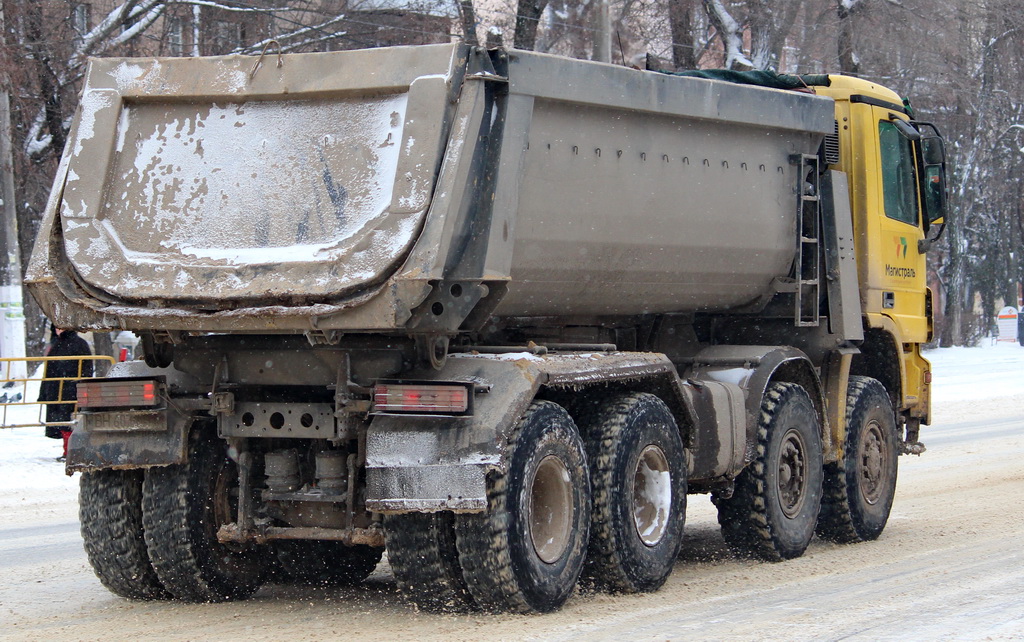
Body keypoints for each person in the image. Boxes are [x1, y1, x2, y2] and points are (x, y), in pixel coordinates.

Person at [38, 325, 93, 460]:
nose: (57, 331)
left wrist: (80, 385)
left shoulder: (79, 344)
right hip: (56, 389)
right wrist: (45, 391)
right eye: (55, 328)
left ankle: (72, 451)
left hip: (71, 389)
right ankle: (68, 451)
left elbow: (86, 367)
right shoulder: (56, 344)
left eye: (60, 328)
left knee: (70, 421)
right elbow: (49, 369)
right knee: (62, 421)